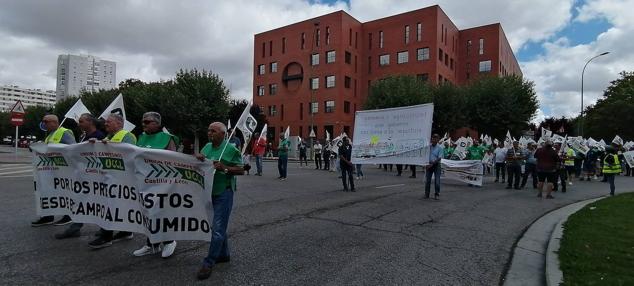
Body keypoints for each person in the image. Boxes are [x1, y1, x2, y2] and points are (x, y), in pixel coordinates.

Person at [195, 122, 244, 280]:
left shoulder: (231, 149)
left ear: (223, 134)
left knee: (217, 228)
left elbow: (242, 169)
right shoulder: (206, 147)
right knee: (218, 227)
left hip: (224, 192)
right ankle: (224, 254)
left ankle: (208, 262)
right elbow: (199, 167)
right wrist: (199, 159)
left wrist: (225, 168)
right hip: (208, 191)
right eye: (208, 130)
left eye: (213, 131)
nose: (210, 133)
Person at [131, 112, 179, 258]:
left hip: (162, 183)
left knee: (162, 213)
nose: (143, 124)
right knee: (148, 213)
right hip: (144, 183)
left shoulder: (167, 138)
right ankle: (152, 243)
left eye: (147, 122)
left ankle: (169, 241)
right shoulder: (141, 137)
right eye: (142, 122)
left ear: (157, 124)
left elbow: (174, 161)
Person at [87, 113, 136, 249]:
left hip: (121, 179)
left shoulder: (127, 136)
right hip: (111, 177)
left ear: (119, 124)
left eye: (109, 122)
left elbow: (130, 155)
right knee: (113, 206)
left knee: (110, 207)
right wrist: (94, 145)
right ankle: (125, 231)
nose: (106, 124)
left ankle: (106, 237)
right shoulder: (109, 137)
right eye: (106, 122)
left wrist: (109, 146)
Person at [55, 113, 106, 239]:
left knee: (100, 203)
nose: (79, 124)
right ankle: (76, 227)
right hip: (84, 175)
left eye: (82, 121)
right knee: (80, 201)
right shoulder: (84, 136)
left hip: (96, 177)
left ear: (90, 122)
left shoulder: (99, 136)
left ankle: (104, 228)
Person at [31, 114, 76, 227]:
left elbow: (73, 148)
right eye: (43, 121)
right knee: (48, 192)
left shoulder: (64, 132)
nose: (44, 123)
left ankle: (68, 216)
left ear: (55, 122)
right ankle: (47, 216)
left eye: (46, 121)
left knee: (65, 193)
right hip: (50, 170)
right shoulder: (50, 135)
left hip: (63, 170)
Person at [425, 134, 443, 200]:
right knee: (427, 180)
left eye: (436, 138)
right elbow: (425, 155)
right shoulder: (428, 146)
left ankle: (437, 194)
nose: (434, 139)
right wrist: (426, 164)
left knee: (437, 181)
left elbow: (439, 158)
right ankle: (426, 194)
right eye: (433, 138)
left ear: (438, 140)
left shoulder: (440, 148)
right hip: (428, 165)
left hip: (436, 165)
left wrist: (432, 163)